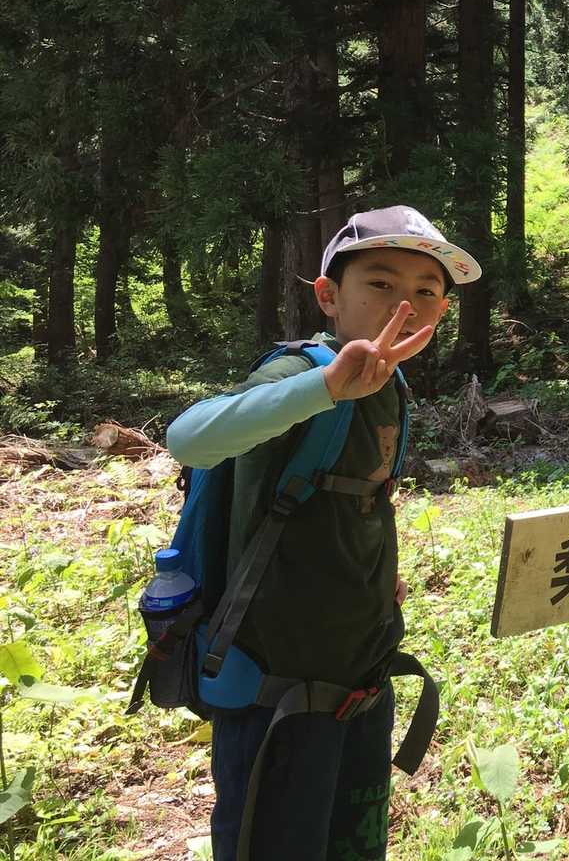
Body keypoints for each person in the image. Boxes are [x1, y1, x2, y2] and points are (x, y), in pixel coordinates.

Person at [167, 205, 480, 861]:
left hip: (360, 676)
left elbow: (355, 500)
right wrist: (326, 387)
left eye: (426, 292)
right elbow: (188, 439)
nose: (406, 305)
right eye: (381, 283)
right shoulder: (299, 374)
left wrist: (378, 575)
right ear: (329, 296)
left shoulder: (392, 385)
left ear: (443, 311)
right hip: (275, 691)